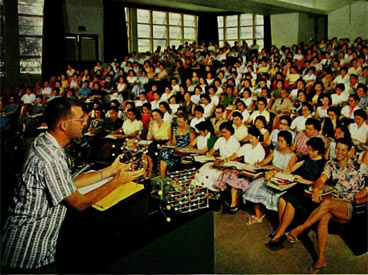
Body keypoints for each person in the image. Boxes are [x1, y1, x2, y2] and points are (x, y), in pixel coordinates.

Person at [1, 97, 143, 273]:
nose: (86, 122)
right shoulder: (50, 158)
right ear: (63, 125)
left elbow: (66, 182)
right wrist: (117, 182)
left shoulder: (45, 142)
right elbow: (79, 202)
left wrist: (110, 171)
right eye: (81, 119)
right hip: (27, 253)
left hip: (32, 249)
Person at [285, 138, 368, 274]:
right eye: (338, 149)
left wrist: (364, 192)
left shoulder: (359, 166)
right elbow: (321, 179)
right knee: (324, 216)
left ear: (349, 151)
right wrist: (317, 189)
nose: (339, 152)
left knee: (326, 203)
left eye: (343, 150)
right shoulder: (331, 164)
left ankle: (299, 230)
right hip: (333, 203)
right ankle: (321, 259)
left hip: (351, 206)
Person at [267, 137, 326, 248]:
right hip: (298, 186)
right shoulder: (306, 158)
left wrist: (304, 180)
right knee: (282, 199)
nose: (308, 151)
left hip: (309, 190)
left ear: (317, 151)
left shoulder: (323, 164)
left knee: (290, 203)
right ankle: (280, 227)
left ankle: (281, 233)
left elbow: (320, 183)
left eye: (310, 149)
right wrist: (287, 172)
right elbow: (293, 168)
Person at [243, 130, 297, 225]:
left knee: (271, 193)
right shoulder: (275, 151)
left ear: (288, 143)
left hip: (281, 180)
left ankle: (277, 219)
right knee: (254, 186)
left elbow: (287, 172)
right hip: (270, 176)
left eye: (281, 141)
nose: (279, 143)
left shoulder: (292, 156)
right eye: (278, 140)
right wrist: (259, 164)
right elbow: (265, 161)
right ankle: (258, 215)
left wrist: (274, 168)